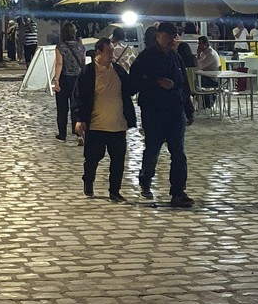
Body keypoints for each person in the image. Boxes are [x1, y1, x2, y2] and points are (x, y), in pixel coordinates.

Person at [129, 21, 195, 208]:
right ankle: (145, 179)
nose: (170, 41)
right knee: (152, 150)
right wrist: (156, 82)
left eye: (173, 37)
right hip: (154, 112)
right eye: (167, 37)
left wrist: (188, 110)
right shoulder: (146, 57)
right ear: (158, 37)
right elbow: (133, 83)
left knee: (179, 154)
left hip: (175, 111)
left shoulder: (176, 57)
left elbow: (183, 86)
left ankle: (178, 192)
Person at [72, 38, 137, 202]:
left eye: (112, 51)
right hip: (96, 125)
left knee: (118, 160)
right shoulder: (88, 72)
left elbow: (130, 89)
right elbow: (78, 97)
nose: (112, 55)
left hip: (117, 124)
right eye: (109, 52)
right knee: (93, 158)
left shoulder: (118, 70)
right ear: (98, 52)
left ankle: (114, 191)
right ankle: (88, 181)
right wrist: (79, 119)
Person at [52, 21, 86, 143]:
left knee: (62, 108)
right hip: (77, 79)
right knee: (77, 107)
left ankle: (62, 134)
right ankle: (78, 134)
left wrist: (56, 80)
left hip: (64, 78)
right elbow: (83, 63)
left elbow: (59, 63)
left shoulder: (60, 47)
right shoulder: (81, 46)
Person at [195, 35, 221, 108]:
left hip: (212, 79)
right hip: (205, 76)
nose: (198, 46)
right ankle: (205, 101)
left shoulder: (210, 54)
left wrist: (198, 55)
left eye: (200, 44)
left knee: (194, 83)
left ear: (205, 44)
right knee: (192, 81)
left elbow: (199, 66)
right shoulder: (204, 53)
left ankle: (207, 101)